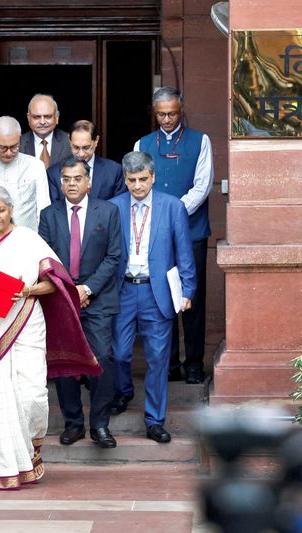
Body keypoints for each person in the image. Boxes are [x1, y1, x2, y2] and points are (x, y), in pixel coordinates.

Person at [0, 185, 101, 490]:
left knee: (31, 394)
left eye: (1, 210)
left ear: (12, 210)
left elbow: (56, 284)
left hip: (25, 320)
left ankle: (28, 456)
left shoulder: (28, 240)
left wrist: (27, 290)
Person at [109, 151, 196, 444]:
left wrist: (187, 291)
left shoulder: (172, 207)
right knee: (119, 353)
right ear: (125, 179)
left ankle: (154, 419)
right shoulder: (113, 207)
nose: (137, 186)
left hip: (155, 291)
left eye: (142, 179)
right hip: (122, 290)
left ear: (153, 176)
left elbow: (184, 251)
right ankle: (123, 391)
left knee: (158, 358)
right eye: (131, 180)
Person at [38, 157, 122, 448]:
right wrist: (69, 291)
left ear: (88, 181)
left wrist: (87, 289)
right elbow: (46, 258)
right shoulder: (48, 215)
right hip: (61, 298)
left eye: (76, 179)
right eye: (66, 179)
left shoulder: (108, 211)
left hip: (97, 299)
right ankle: (73, 424)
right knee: (64, 361)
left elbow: (114, 257)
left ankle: (99, 424)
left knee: (103, 357)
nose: (71, 184)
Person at [133, 86, 213, 384]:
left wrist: (173, 213)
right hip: (156, 235)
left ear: (182, 110)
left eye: (173, 113)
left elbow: (203, 186)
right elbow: (138, 185)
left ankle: (194, 363)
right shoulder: (143, 143)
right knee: (162, 298)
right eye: (162, 114)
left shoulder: (199, 141)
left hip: (191, 232)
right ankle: (168, 364)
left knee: (191, 299)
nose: (167, 119)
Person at [0, 116, 50, 232]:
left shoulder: (35, 166)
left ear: (19, 138)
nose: (9, 152)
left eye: (14, 146)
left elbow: (44, 208)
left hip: (28, 239)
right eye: (3, 148)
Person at [47, 120, 126, 203]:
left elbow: (118, 207)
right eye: (76, 147)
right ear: (69, 141)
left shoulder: (114, 171)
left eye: (86, 148)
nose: (81, 154)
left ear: (96, 141)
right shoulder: (54, 173)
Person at [19, 94, 72, 169]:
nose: (42, 122)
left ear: (57, 117)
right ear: (28, 118)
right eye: (37, 117)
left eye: (47, 116)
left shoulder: (70, 142)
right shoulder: (18, 144)